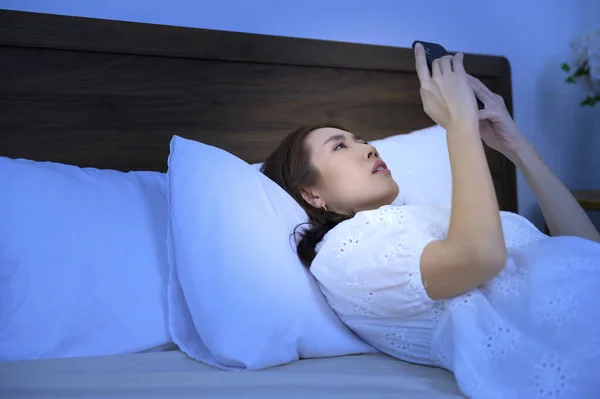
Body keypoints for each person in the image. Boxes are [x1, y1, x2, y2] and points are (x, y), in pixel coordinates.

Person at [260, 42, 600, 399]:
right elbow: (480, 258)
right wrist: (458, 125)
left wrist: (517, 149)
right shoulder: (344, 254)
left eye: (360, 139)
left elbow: (585, 253)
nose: (369, 148)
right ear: (312, 195)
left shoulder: (430, 218)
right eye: (340, 146)